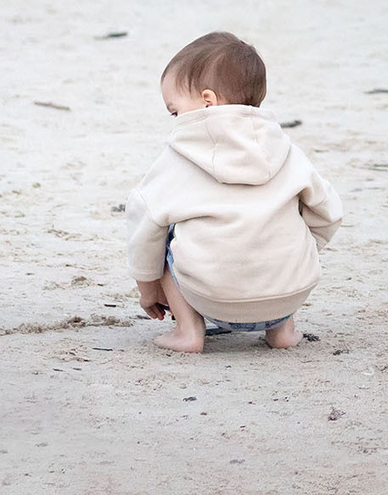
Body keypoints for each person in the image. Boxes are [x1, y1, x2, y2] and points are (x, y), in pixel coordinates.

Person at [127, 30, 342, 353]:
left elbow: (142, 230)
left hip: (212, 297)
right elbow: (328, 212)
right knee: (279, 220)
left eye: (175, 111)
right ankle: (282, 331)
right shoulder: (285, 149)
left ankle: (187, 331)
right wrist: (304, 249)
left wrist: (147, 291)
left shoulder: (179, 157)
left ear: (207, 101)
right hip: (290, 292)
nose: (174, 121)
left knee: (162, 229)